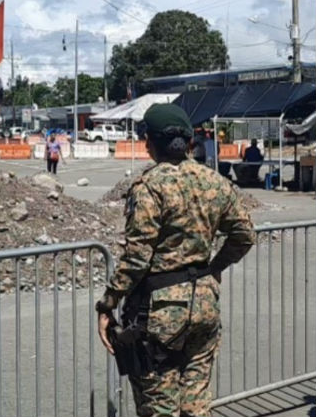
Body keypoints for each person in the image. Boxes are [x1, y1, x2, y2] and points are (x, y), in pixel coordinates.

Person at [95, 104, 255, 417]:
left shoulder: (150, 187)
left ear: (149, 143)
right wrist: (215, 268)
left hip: (160, 311)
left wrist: (108, 303)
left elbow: (137, 257)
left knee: (159, 407)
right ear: (190, 143)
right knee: (196, 404)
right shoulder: (215, 182)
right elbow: (244, 235)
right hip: (205, 306)